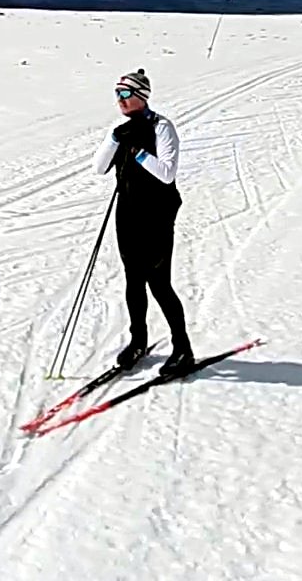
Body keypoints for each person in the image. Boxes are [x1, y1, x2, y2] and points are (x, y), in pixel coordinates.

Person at [91, 68, 194, 376]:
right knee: (133, 281)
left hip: (157, 216)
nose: (120, 100)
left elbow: (167, 173)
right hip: (128, 215)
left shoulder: (162, 127)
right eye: (117, 94)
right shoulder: (123, 130)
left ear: (141, 96)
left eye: (125, 94)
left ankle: (183, 349)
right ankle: (138, 341)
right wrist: (113, 139)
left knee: (159, 283)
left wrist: (137, 153)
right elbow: (98, 168)